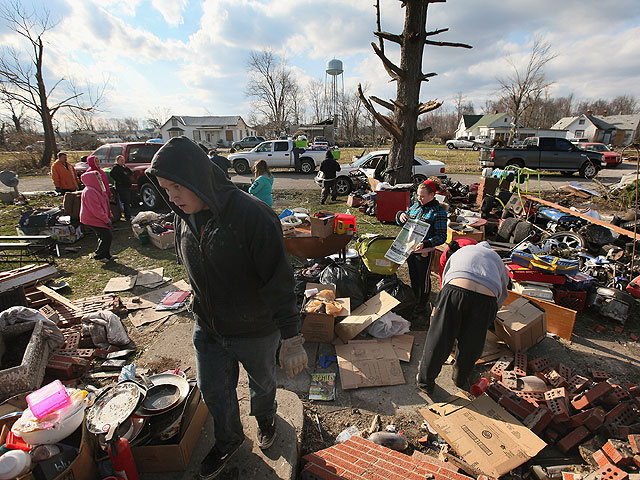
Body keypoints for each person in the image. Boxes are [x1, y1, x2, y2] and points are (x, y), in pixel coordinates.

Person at [145, 136, 307, 480]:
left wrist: (291, 339)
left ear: (197, 178)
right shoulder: (183, 216)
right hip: (209, 326)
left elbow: (279, 281)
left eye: (176, 186)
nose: (171, 196)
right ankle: (229, 439)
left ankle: (265, 420)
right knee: (212, 389)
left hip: (256, 329)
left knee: (262, 384)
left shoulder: (253, 216)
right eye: (164, 188)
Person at [417, 241, 510, 393]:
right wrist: (490, 314)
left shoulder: (462, 251)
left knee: (439, 338)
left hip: (455, 289)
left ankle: (425, 383)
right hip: (486, 299)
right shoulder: (497, 259)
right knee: (472, 343)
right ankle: (460, 378)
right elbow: (503, 289)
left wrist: (446, 304)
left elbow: (446, 276)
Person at [395, 179, 447, 313]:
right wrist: (400, 215)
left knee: (423, 277)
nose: (419, 198)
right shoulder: (415, 206)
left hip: (425, 251)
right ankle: (415, 297)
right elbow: (405, 220)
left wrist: (426, 243)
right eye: (418, 195)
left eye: (423, 196)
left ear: (432, 195)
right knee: (413, 274)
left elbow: (441, 236)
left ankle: (423, 302)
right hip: (411, 249)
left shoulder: (438, 212)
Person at [79, 170, 114, 261]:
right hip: (92, 218)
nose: (100, 179)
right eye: (98, 178)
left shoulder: (97, 189)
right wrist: (106, 220)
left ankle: (106, 255)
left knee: (104, 236)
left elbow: (105, 204)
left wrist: (109, 214)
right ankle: (100, 255)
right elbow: (96, 210)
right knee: (106, 235)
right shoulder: (89, 191)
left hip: (97, 217)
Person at [110, 155, 133, 221]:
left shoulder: (124, 168)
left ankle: (128, 214)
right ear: (117, 161)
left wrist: (126, 172)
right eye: (121, 160)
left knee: (128, 201)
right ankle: (127, 216)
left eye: (123, 160)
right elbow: (112, 174)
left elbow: (131, 173)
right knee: (125, 202)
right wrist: (119, 180)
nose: (123, 161)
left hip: (127, 186)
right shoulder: (116, 168)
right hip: (122, 187)